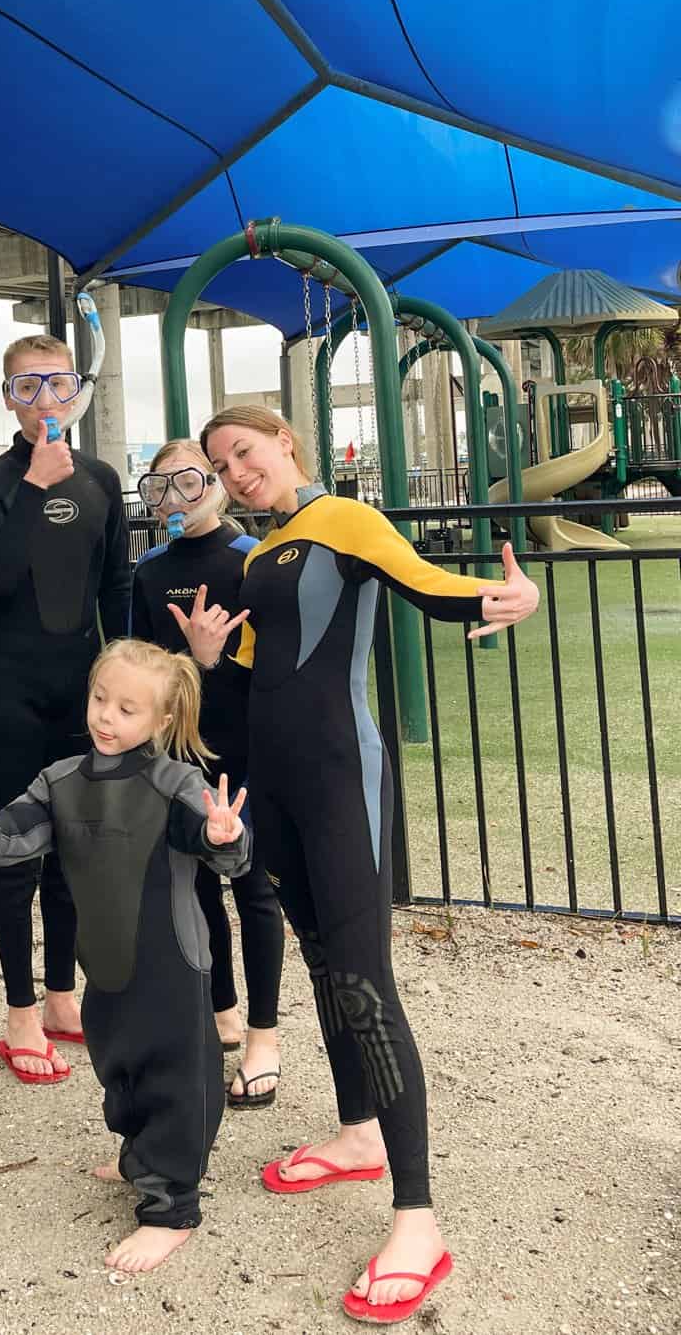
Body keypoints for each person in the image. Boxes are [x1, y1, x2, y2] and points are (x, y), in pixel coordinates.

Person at [173, 405, 540, 1325]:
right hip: (281, 796)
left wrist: (503, 597)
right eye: (222, 464)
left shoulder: (341, 518)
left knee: (366, 980)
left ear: (285, 443)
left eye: (245, 453)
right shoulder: (259, 558)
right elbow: (259, 677)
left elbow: (422, 583)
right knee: (328, 969)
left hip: (343, 784)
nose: (237, 472)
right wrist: (212, 658)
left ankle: (418, 1219)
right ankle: (356, 1132)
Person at [0, 638, 250, 1274]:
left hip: (171, 963)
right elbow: (13, 841)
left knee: (175, 1073)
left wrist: (227, 834)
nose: (107, 717)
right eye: (101, 699)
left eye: (128, 709)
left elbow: (226, 856)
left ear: (161, 720)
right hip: (103, 964)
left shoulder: (175, 783)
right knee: (117, 1057)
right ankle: (140, 1154)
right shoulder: (62, 781)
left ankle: (171, 1207)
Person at [0, 333, 131, 1082]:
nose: (43, 401)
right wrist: (34, 483)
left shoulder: (100, 478)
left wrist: (126, 684)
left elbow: (116, 587)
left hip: (81, 688)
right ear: (8, 397)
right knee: (16, 851)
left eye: (56, 385)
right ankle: (19, 1013)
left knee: (73, 850)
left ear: (75, 392)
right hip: (11, 688)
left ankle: (64, 996)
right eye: (25, 387)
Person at [129, 438, 285, 1109]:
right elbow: (140, 666)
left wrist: (211, 659)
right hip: (175, 759)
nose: (175, 498)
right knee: (191, 890)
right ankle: (221, 1010)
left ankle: (263, 1036)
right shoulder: (150, 569)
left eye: (190, 481)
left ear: (217, 483)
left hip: (244, 753)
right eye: (160, 487)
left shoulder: (252, 560)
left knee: (252, 889)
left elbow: (277, 664)